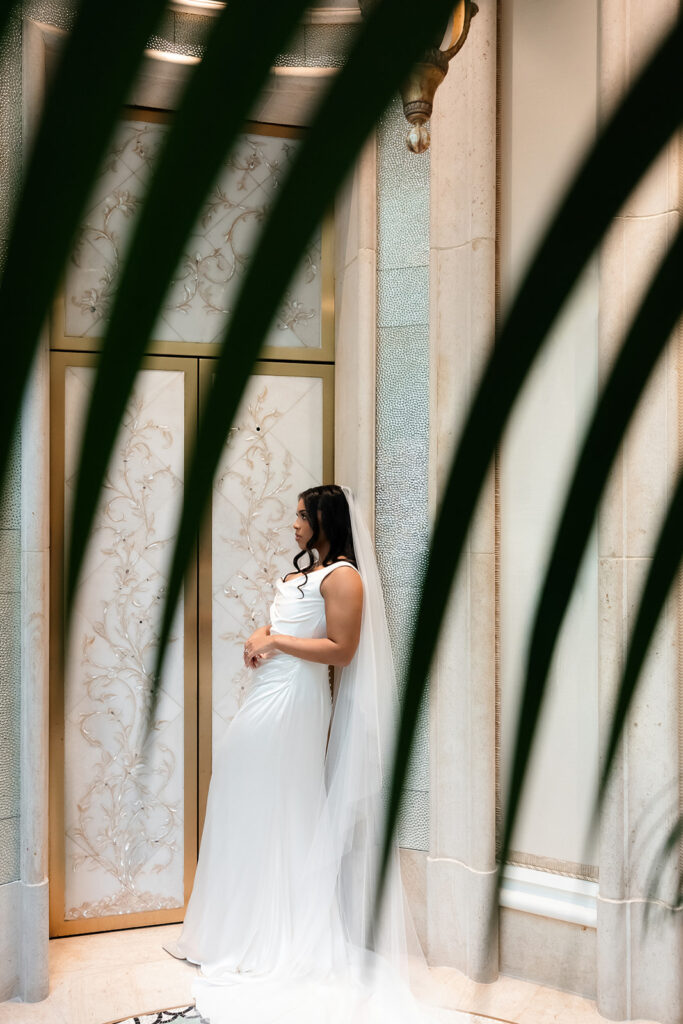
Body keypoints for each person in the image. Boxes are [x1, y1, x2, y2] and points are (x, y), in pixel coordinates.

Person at [162, 484, 440, 1023]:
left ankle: (273, 936)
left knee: (282, 806)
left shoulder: (345, 577)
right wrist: (261, 633)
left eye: (301, 515)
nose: (293, 523)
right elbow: (290, 625)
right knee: (241, 799)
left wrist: (276, 643)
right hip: (266, 693)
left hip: (295, 703)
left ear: (324, 519)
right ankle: (232, 928)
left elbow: (342, 649)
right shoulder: (303, 574)